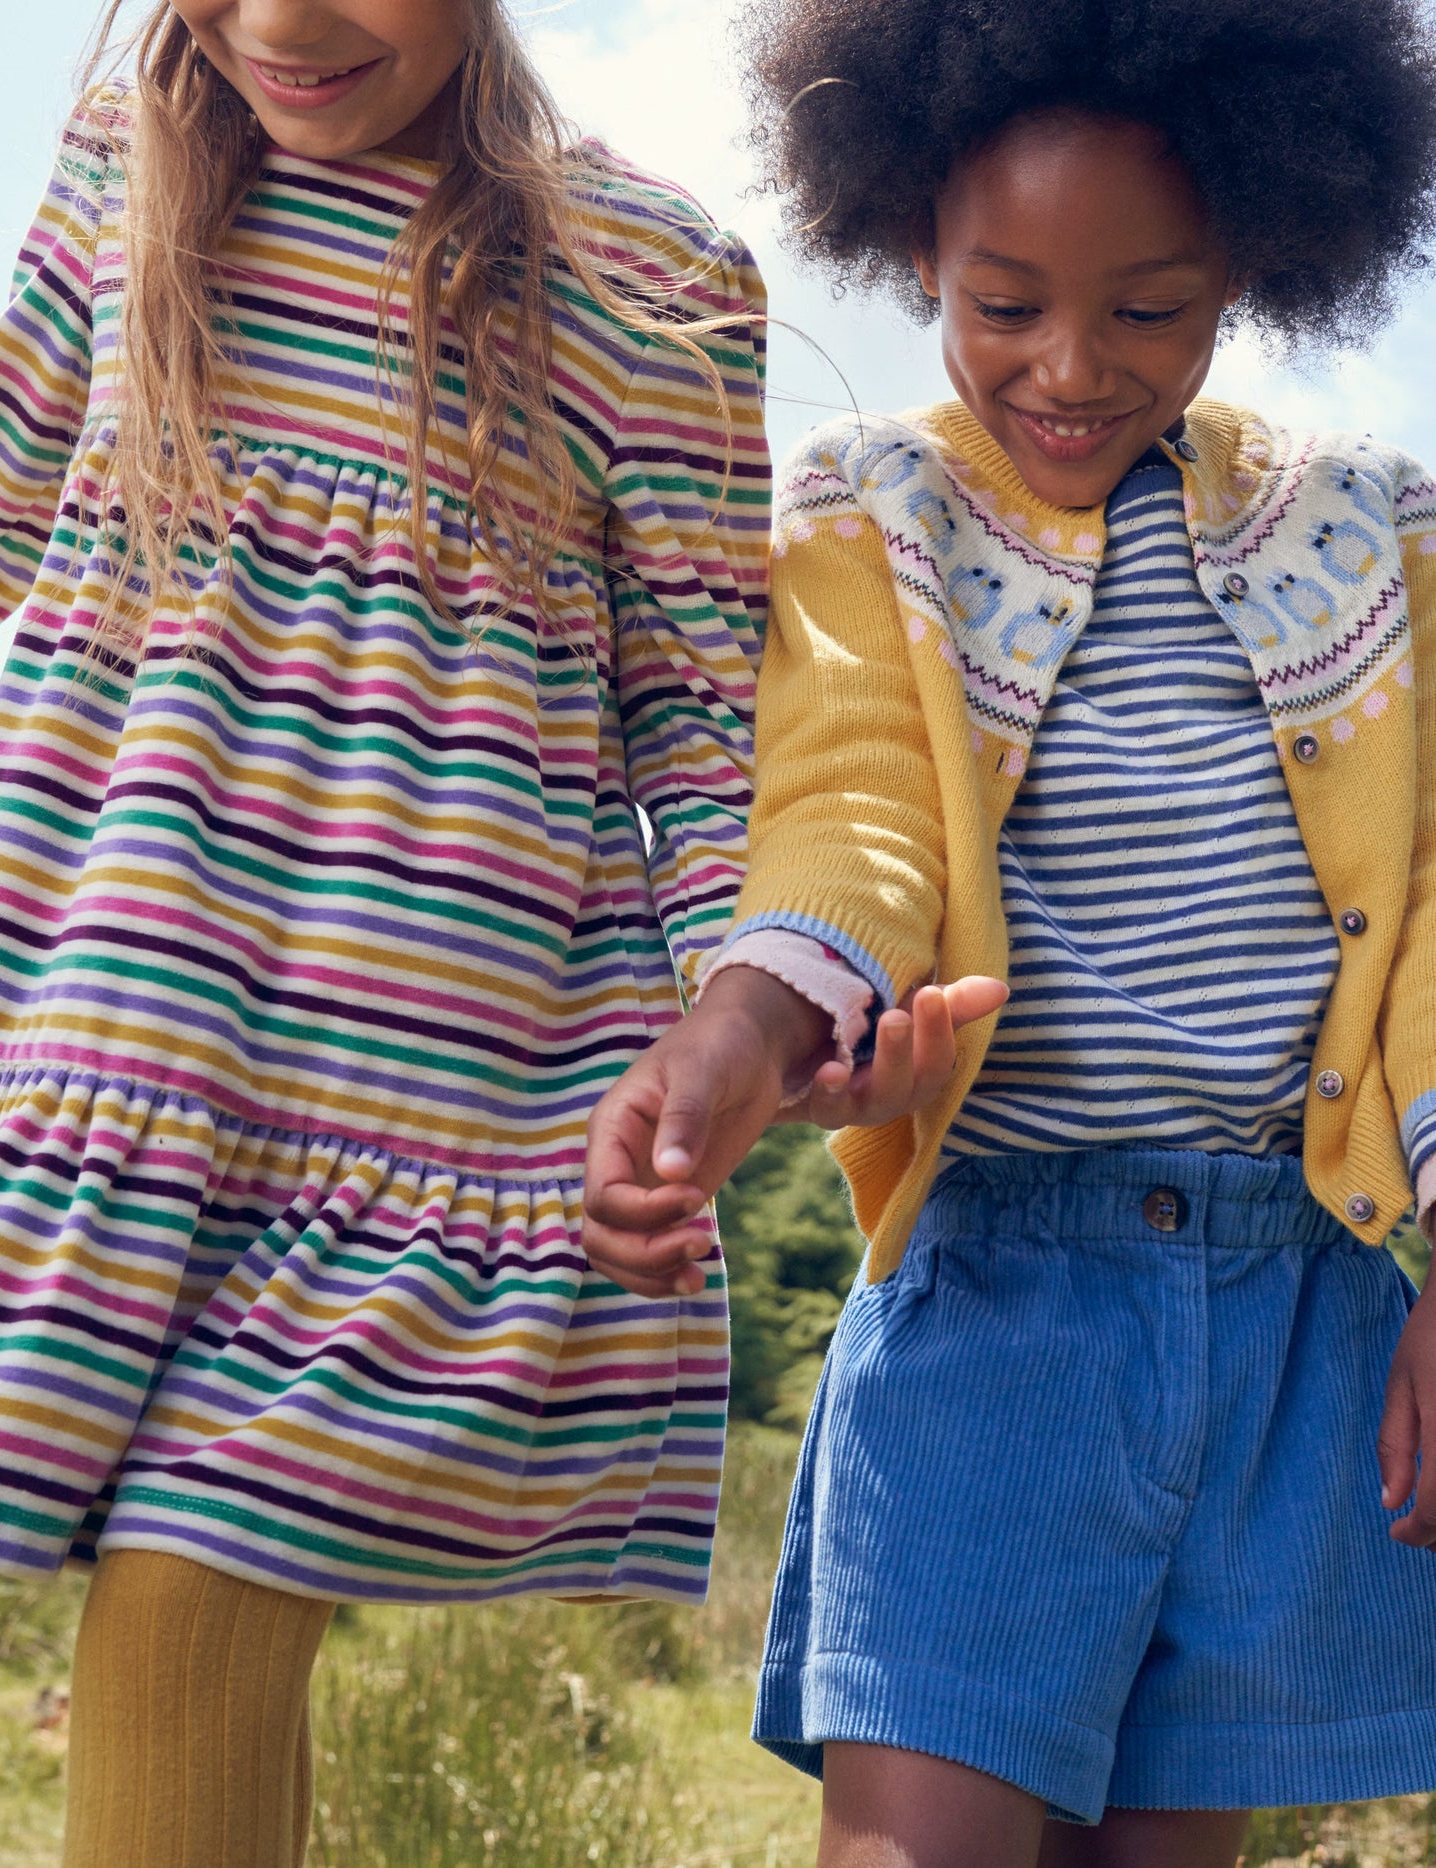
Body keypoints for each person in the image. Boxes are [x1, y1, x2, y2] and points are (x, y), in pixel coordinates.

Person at [581, 1, 1436, 1862]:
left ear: (1254, 259)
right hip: (996, 1301)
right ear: (914, 257)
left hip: (1294, 1316)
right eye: (1002, 303)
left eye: (1147, 308)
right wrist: (740, 1034)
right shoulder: (871, 522)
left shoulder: (1370, 535)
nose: (1067, 367)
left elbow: (1431, 918)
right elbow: (852, 807)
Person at [0, 1, 787, 1861]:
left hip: (409, 1118)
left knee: (192, 1612)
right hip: (94, 1049)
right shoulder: (124, 172)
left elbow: (704, 733)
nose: (279, 22)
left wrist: (758, 1016)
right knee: (191, 1663)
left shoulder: (656, 279)